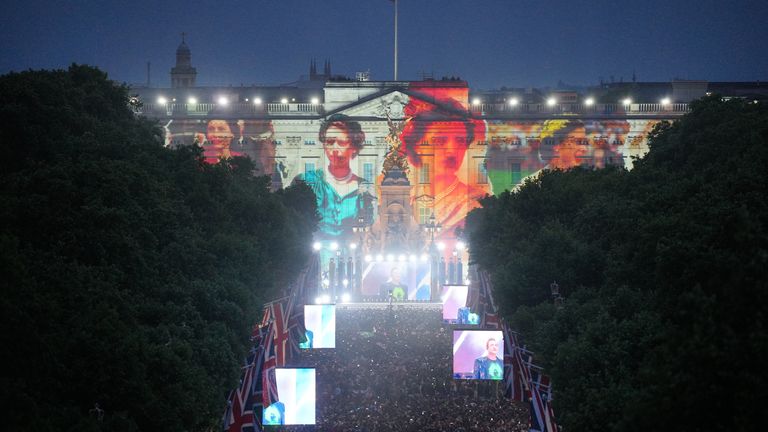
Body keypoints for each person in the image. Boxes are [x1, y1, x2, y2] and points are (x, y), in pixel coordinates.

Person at [402, 116, 488, 237]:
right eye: (440, 141)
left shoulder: (476, 200)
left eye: (460, 141)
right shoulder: (406, 197)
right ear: (417, 146)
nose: (452, 150)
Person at [293, 115, 372, 237]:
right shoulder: (304, 180)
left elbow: (369, 222)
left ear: (354, 147)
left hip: (353, 251)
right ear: (324, 145)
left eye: (341, 142)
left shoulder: (363, 188)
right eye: (330, 142)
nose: (335, 149)